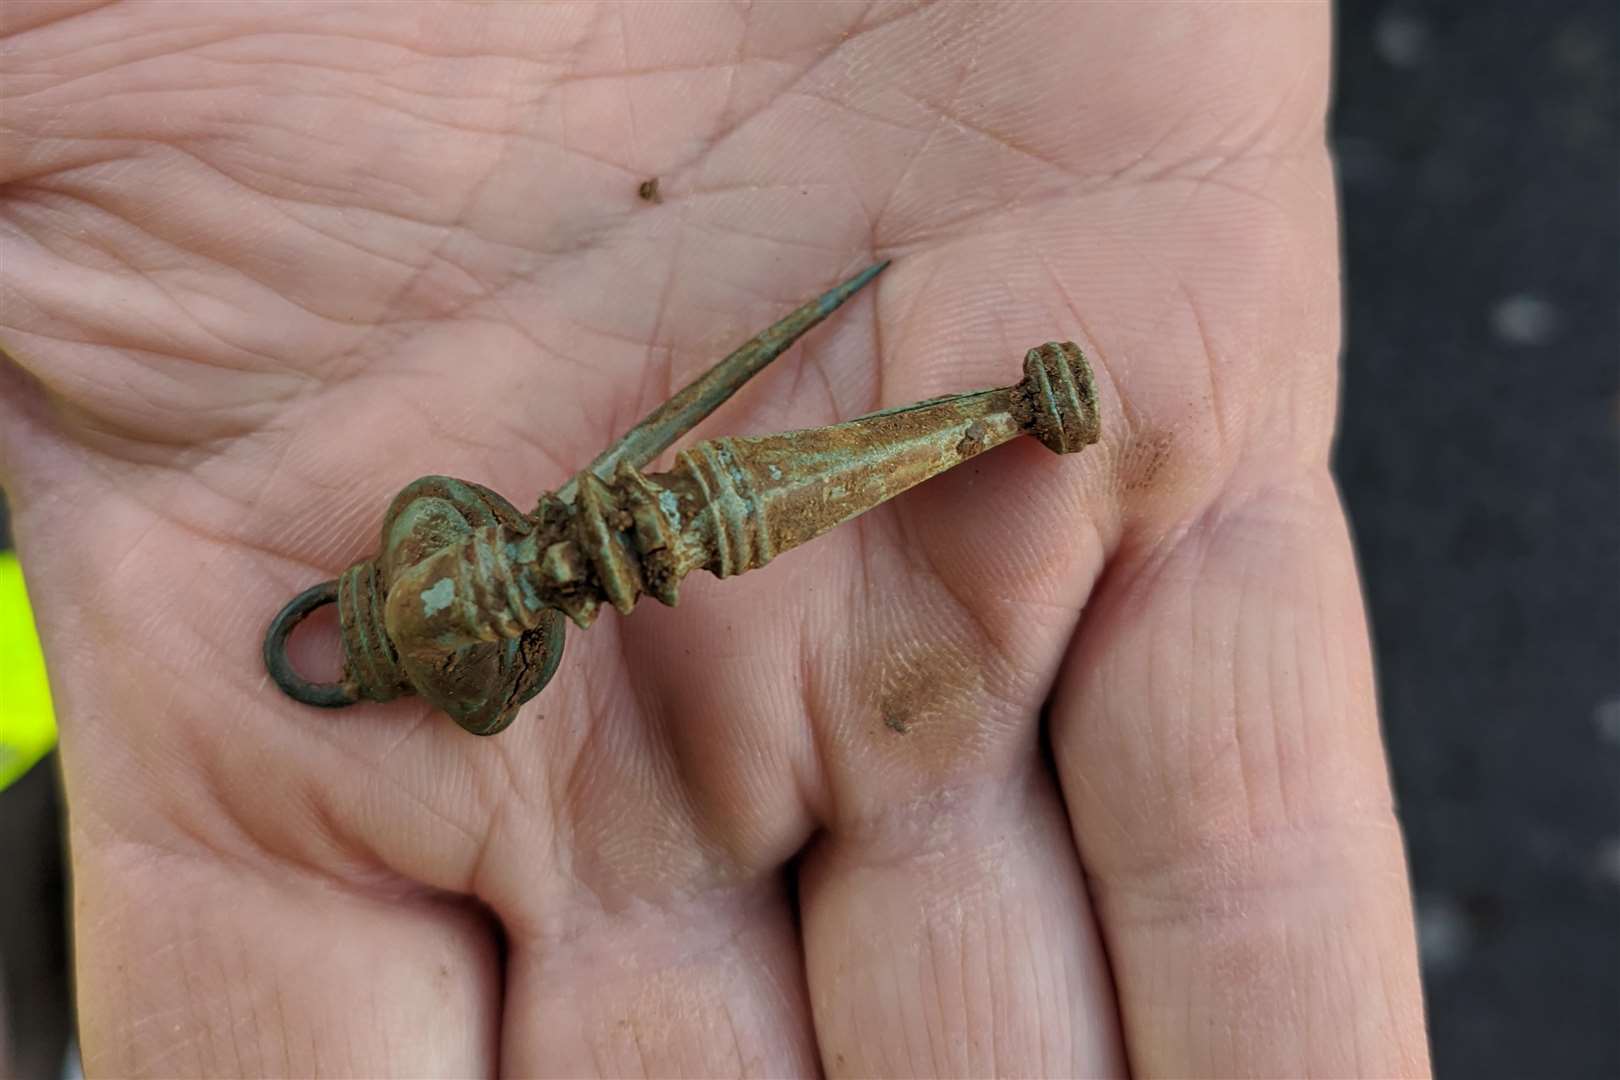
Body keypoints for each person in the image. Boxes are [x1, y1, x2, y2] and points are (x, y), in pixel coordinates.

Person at [0, 2, 1430, 1075]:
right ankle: (1002, 414)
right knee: (822, 477)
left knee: (843, 466)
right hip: (682, 524)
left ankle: (1003, 412)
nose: (490, 584)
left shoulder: (490, 597)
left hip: (677, 516)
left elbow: (534, 586)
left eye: (466, 581)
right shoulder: (491, 592)